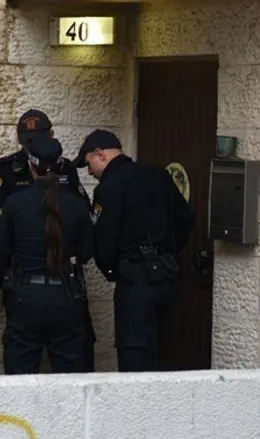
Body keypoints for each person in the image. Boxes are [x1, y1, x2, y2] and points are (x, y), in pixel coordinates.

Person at [0, 108, 97, 371]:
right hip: (43, 284)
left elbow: (1, 241)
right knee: (69, 370)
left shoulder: (17, 202)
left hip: (37, 285)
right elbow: (87, 246)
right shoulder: (6, 169)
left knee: (22, 367)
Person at [72, 129, 194, 372]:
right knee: (162, 353)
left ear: (100, 155)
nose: (90, 172)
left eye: (89, 164)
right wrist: (166, 252)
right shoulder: (158, 176)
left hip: (134, 281)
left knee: (134, 355)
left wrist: (113, 270)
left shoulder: (108, 188)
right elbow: (185, 219)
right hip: (165, 279)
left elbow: (104, 241)